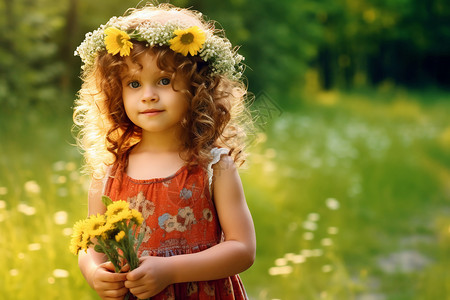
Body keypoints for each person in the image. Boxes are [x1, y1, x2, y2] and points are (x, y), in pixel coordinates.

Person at [73, 3, 256, 300]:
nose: (148, 95)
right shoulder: (108, 174)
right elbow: (93, 249)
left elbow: (242, 250)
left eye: (164, 81)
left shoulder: (214, 167)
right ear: (115, 92)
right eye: (134, 83)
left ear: (197, 87)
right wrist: (94, 272)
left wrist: (170, 271)